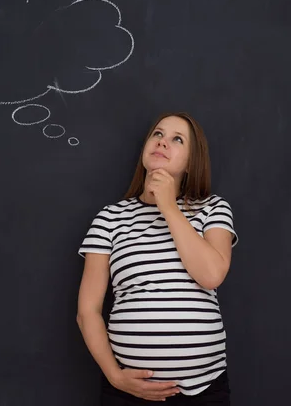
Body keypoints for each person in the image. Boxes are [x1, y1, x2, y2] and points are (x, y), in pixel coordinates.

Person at [76, 112, 238, 405]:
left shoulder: (213, 208)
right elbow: (87, 311)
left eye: (177, 139)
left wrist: (168, 206)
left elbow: (211, 275)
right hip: (127, 390)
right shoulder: (110, 218)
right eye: (158, 134)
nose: (163, 142)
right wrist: (115, 376)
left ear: (191, 162)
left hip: (204, 390)